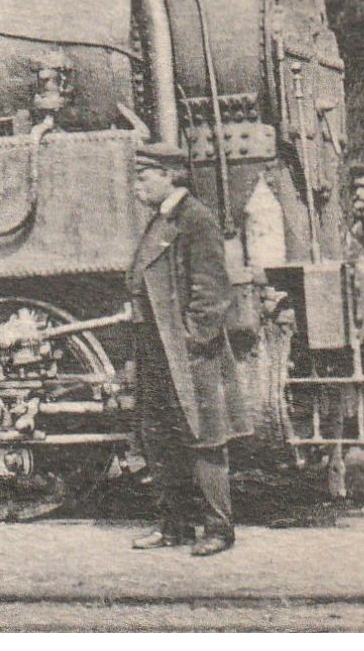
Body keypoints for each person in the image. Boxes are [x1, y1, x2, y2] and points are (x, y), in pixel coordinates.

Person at [126, 141, 253, 557]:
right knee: (159, 438)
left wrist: (193, 339)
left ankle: (219, 529)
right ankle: (173, 526)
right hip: (158, 350)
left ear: (169, 175)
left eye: (143, 177)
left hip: (190, 353)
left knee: (205, 439)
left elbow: (213, 291)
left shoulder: (195, 219)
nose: (136, 186)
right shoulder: (162, 219)